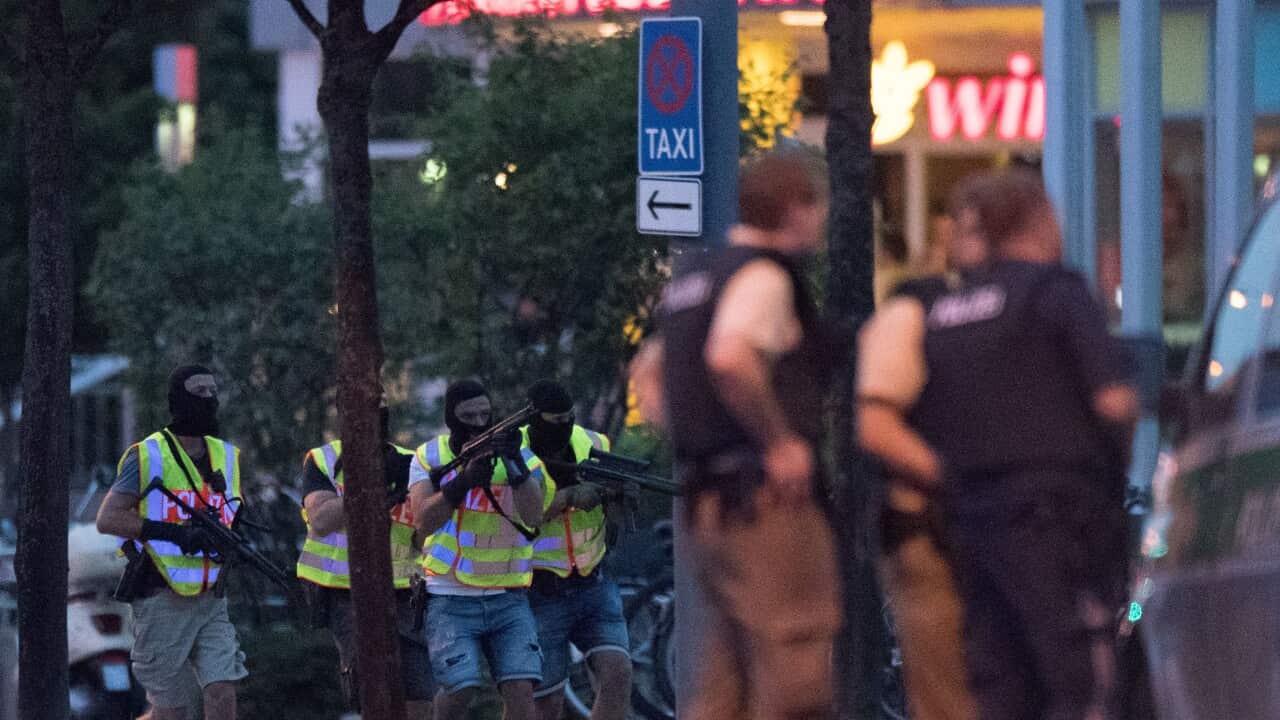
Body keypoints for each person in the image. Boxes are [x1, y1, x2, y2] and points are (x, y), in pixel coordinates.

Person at [875, 169, 1137, 720]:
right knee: (1075, 681)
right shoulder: (1056, 293)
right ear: (1039, 219)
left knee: (998, 685)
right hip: (1057, 519)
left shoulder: (944, 314)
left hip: (971, 523)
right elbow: (1114, 402)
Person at [647, 151, 843, 720]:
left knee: (723, 673)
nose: (823, 220)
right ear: (795, 208)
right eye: (817, 205)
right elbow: (731, 358)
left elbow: (649, 374)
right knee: (795, 659)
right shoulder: (762, 274)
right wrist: (778, 441)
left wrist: (694, 439)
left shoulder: (695, 279)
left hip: (706, 501)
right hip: (763, 502)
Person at [855, 192, 993, 720]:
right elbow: (873, 419)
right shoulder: (918, 307)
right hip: (936, 525)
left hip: (951, 522)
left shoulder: (919, 308)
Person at [95, 365, 247, 720]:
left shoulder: (226, 456)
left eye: (213, 390)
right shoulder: (148, 455)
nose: (209, 398)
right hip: (160, 597)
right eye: (199, 391)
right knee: (172, 712)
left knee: (222, 691)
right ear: (178, 399)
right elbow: (109, 518)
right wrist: (175, 533)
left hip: (211, 600)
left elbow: (233, 512)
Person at [408, 379, 551, 720]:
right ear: (451, 418)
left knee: (521, 690)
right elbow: (422, 520)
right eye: (467, 416)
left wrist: (514, 462)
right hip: (449, 595)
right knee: (460, 688)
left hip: (509, 594)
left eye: (485, 414)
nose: (478, 422)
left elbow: (534, 515)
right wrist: (462, 483)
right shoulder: (429, 456)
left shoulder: (521, 455)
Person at [295, 397, 433, 719]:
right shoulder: (324, 460)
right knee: (372, 694)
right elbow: (323, 519)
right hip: (345, 592)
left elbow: (425, 532)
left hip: (405, 594)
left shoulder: (411, 462)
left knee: (419, 699)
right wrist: (370, 483)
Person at [520, 379, 631, 720]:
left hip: (591, 581)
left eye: (570, 417)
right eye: (557, 420)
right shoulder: (513, 453)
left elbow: (616, 518)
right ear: (536, 418)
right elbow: (520, 517)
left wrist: (619, 498)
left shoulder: (593, 441)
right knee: (545, 705)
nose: (566, 425)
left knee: (618, 675)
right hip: (539, 589)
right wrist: (567, 498)